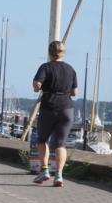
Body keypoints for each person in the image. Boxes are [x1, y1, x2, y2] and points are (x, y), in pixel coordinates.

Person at [31, 40, 78, 187]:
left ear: (49, 52)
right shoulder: (70, 69)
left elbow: (37, 84)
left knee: (42, 140)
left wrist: (37, 87)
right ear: (63, 53)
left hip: (49, 107)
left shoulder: (45, 67)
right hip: (66, 109)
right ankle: (59, 175)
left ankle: (45, 170)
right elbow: (75, 92)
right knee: (60, 144)